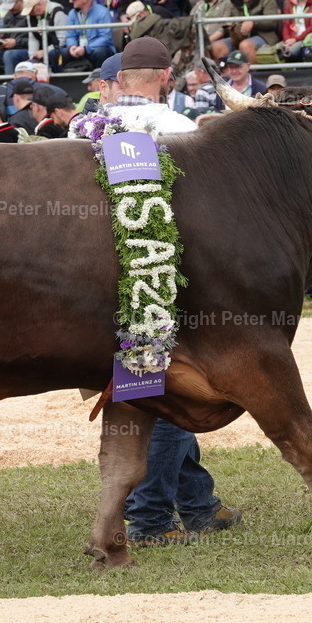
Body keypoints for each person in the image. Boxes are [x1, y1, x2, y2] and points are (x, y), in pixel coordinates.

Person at [94, 36, 241, 545]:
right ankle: (149, 519)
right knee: (165, 394)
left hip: (84, 286)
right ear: (164, 77)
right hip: (159, 280)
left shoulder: (81, 127)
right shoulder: (179, 129)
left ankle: (199, 504)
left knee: (147, 388)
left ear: (119, 81)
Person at [51, 0, 116, 71]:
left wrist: (86, 48)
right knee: (54, 54)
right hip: (78, 49)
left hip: (94, 49)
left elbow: (105, 38)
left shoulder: (103, 12)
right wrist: (72, 47)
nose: (71, 1)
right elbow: (70, 35)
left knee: (100, 52)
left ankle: (99, 78)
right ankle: (60, 81)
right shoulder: (72, 13)